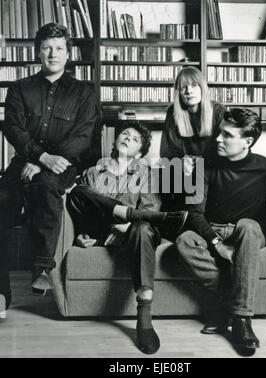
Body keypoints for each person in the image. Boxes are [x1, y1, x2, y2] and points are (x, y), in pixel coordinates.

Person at [176, 108, 266, 353]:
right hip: (213, 232)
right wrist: (216, 244)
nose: (219, 139)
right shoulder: (205, 167)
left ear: (247, 142)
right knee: (184, 239)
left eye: (228, 135)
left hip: (246, 236)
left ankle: (241, 319)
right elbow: (194, 212)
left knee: (249, 225)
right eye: (221, 132)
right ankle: (229, 299)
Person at [67, 123, 188, 355]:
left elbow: (151, 217)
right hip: (106, 235)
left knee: (143, 227)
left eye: (134, 139)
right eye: (124, 134)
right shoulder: (94, 172)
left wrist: (121, 225)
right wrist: (83, 234)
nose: (127, 138)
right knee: (77, 191)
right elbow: (82, 210)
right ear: (114, 141)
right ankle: (130, 213)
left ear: (140, 154)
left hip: (135, 235)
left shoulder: (146, 175)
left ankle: (144, 319)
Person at [0, 23, 98, 303]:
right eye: (46, 48)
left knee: (45, 186)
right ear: (38, 53)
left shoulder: (84, 93)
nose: (53, 54)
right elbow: (14, 129)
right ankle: (1, 293)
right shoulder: (19, 88)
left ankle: (42, 267)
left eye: (58, 48)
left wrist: (44, 164)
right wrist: (39, 157)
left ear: (68, 54)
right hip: (24, 162)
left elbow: (84, 136)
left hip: (63, 166)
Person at [160, 66, 225, 174]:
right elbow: (167, 151)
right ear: (178, 92)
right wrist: (181, 162)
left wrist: (201, 163)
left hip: (212, 169)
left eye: (194, 85)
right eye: (183, 87)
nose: (189, 91)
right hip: (183, 170)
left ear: (202, 88)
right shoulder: (173, 112)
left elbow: (224, 148)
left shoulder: (218, 111)